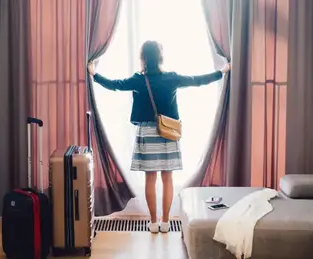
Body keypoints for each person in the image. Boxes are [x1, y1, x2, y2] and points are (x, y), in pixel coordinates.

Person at [87, 40, 230, 233]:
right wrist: (222, 71)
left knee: (150, 179)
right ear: (160, 57)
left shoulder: (139, 80)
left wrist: (94, 74)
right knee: (167, 178)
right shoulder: (171, 78)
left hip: (147, 133)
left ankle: (153, 223)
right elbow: (198, 80)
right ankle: (165, 222)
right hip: (168, 132)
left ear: (143, 58)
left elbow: (115, 85)